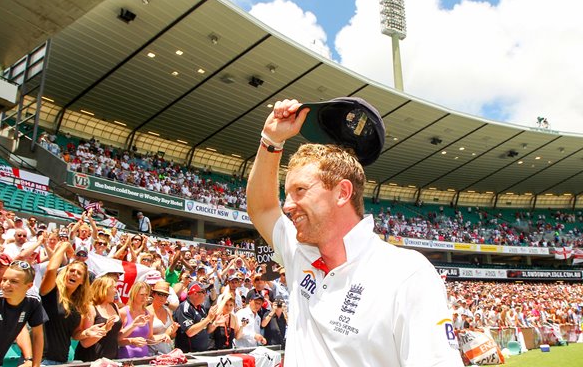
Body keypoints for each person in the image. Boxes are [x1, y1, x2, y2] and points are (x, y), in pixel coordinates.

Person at [246, 98, 462, 366]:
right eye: (287, 194)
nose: (287, 206)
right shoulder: (299, 253)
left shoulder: (407, 274)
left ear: (342, 193)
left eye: (300, 191)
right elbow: (263, 208)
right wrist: (270, 140)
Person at [0, 260, 46, 367]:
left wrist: (34, 363)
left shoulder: (33, 301)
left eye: (14, 281)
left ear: (29, 286)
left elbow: (37, 335)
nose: (6, 284)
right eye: (4, 279)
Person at [39, 241, 92, 365]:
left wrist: (86, 333)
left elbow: (75, 333)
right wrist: (64, 246)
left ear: (82, 282)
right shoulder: (51, 291)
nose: (74, 274)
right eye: (71, 270)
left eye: (79, 273)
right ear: (65, 273)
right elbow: (51, 269)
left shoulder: (79, 304)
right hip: (40, 359)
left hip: (62, 360)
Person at [74, 275, 122, 361]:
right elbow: (85, 343)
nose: (116, 291)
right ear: (104, 289)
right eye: (114, 287)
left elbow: (117, 336)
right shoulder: (91, 308)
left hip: (111, 359)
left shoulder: (114, 306)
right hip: (91, 359)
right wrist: (105, 329)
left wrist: (134, 325)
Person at [173, 281, 217, 352]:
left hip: (203, 352)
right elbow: (190, 332)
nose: (206, 294)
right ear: (195, 294)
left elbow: (207, 330)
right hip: (189, 354)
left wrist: (216, 323)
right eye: (203, 292)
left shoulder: (201, 308)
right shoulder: (184, 308)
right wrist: (208, 318)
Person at [118, 281, 154, 358]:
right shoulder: (123, 313)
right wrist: (132, 341)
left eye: (146, 295)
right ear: (134, 294)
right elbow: (117, 339)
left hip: (144, 358)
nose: (144, 297)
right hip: (126, 358)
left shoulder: (149, 314)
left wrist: (164, 336)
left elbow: (149, 337)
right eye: (141, 294)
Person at [146, 280, 179, 356]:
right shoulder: (146, 312)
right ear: (153, 294)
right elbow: (144, 337)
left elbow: (172, 336)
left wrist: (173, 331)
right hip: (151, 355)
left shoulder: (167, 311)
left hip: (167, 353)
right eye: (160, 294)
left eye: (165, 295)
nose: (163, 297)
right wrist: (164, 336)